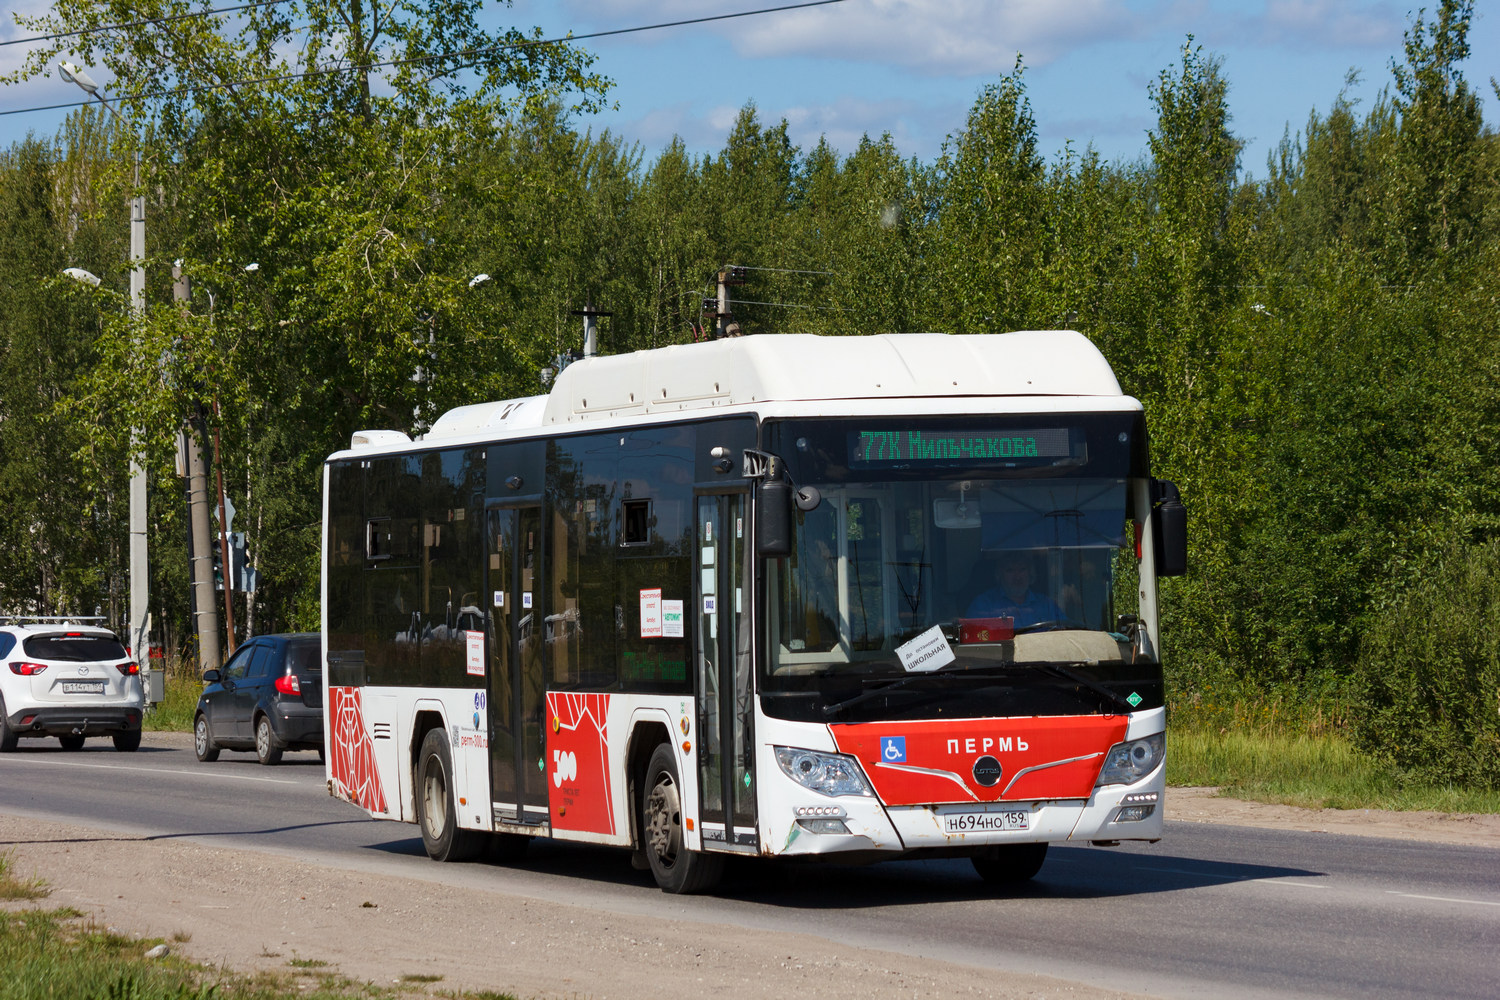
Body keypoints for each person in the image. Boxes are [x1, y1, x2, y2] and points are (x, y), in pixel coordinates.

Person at [965, 551, 1064, 628]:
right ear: (999, 575)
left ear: (1030, 573)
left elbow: (1065, 631)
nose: (1017, 577)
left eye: (1022, 569)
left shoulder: (1046, 604)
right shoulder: (983, 605)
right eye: (1010, 570)